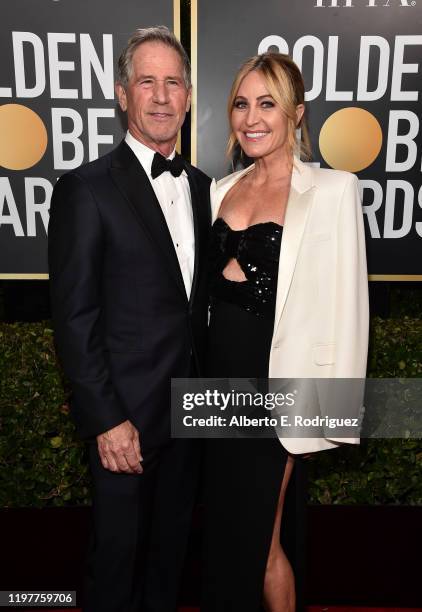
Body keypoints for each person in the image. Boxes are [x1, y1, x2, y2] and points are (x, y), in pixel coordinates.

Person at [48, 26, 211, 612]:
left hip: (192, 418)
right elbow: (74, 315)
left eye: (174, 83)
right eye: (148, 82)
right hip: (126, 424)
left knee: (170, 565)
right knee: (116, 567)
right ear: (122, 94)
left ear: (190, 97)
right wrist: (106, 419)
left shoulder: (203, 189)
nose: (162, 97)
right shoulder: (86, 189)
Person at [202, 53, 369, 612]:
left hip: (277, 393)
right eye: (242, 104)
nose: (251, 117)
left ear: (296, 114)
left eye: (267, 104)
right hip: (213, 387)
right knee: (230, 538)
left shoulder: (333, 190)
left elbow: (348, 309)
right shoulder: (217, 191)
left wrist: (330, 415)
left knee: (258, 539)